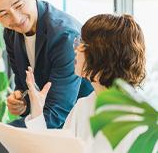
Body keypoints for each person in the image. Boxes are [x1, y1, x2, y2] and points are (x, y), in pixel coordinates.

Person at [0, 0, 93, 128]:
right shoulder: (10, 33)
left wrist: (0, 130)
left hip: (82, 128)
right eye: (3, 14)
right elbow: (23, 85)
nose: (16, 19)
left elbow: (57, 112)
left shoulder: (65, 37)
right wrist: (22, 102)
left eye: (18, 5)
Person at [24, 14, 146, 152]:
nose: (76, 48)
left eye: (82, 42)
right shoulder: (83, 105)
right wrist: (38, 112)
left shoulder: (136, 118)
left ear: (102, 53)